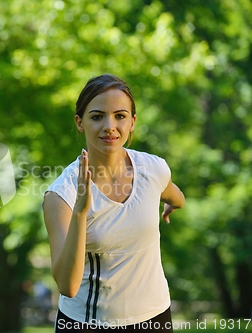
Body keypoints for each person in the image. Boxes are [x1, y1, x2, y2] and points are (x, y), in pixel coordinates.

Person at [43, 74, 185, 332]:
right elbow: (67, 285)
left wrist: (172, 205)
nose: (110, 125)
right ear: (80, 123)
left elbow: (174, 194)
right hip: (89, 323)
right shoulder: (61, 196)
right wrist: (80, 212)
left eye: (120, 116)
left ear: (132, 122)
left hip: (155, 317)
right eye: (97, 116)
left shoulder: (153, 169)